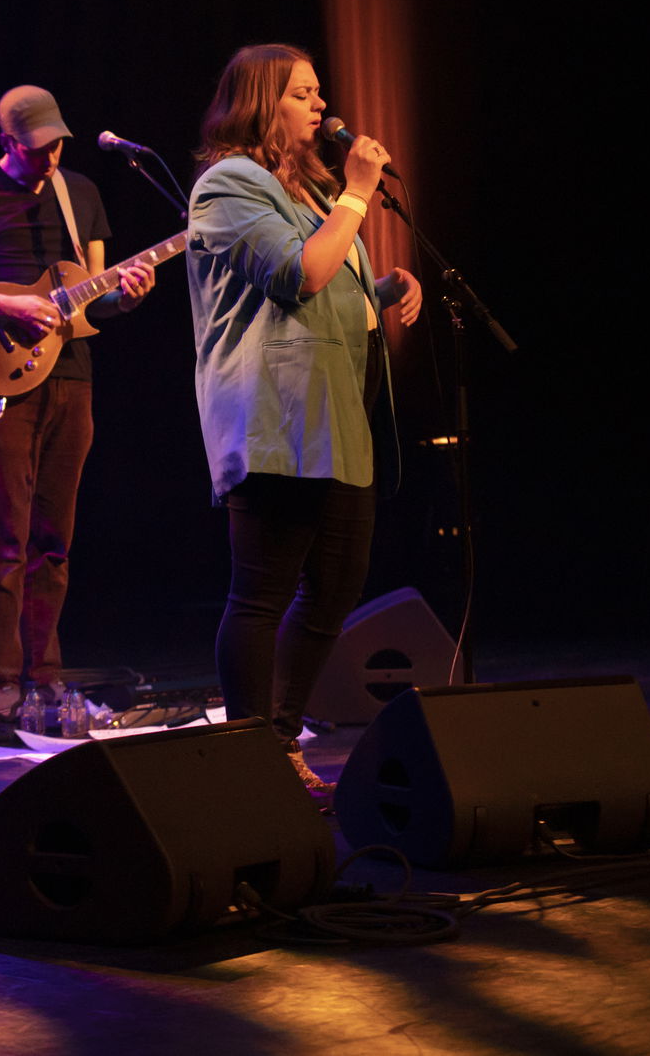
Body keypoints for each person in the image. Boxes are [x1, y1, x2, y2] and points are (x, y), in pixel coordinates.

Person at [184, 44, 422, 792]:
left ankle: (279, 736)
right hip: (274, 419)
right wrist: (357, 194)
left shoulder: (309, 193)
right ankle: (252, 747)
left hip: (335, 419)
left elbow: (332, 287)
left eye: (320, 92)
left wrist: (381, 288)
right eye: (303, 93)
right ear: (262, 102)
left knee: (337, 587)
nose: (321, 105)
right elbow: (297, 276)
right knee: (260, 591)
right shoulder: (228, 184)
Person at [0, 85, 155, 721]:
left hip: (71, 378)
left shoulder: (83, 195)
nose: (50, 158)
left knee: (55, 540)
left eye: (57, 145)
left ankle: (43, 679)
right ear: (8, 141)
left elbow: (93, 297)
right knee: (4, 540)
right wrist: (2, 304)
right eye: (37, 148)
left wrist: (125, 295)